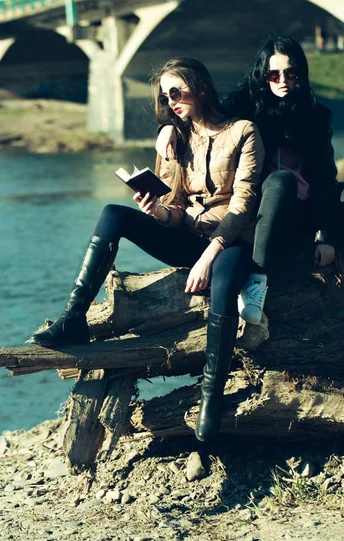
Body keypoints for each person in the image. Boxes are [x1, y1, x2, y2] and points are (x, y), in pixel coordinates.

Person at [28, 57, 265, 443]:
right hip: (188, 237)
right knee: (113, 214)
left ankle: (211, 395)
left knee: (223, 285)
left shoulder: (242, 132)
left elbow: (244, 202)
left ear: (201, 88)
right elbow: (176, 206)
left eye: (178, 91)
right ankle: (74, 317)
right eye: (165, 95)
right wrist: (158, 211)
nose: (171, 100)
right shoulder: (175, 139)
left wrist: (208, 255)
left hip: (231, 241)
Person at [156, 35, 344, 324]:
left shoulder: (317, 114)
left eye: (290, 73)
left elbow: (324, 176)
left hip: (307, 206)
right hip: (266, 210)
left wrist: (325, 235)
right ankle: (257, 279)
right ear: (264, 76)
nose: (282, 80)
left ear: (301, 74)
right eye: (273, 74)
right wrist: (169, 125)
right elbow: (201, 110)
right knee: (281, 180)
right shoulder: (244, 106)